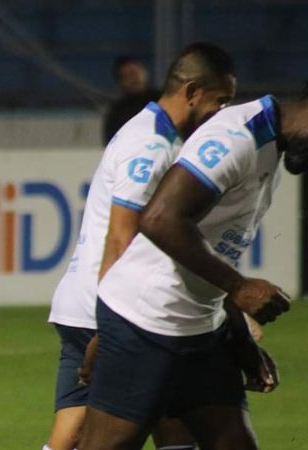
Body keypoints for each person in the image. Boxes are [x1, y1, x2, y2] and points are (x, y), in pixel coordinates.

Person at [79, 90, 304, 449]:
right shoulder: (236, 137)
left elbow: (213, 254)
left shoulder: (269, 151)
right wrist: (239, 287)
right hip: (145, 321)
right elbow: (159, 219)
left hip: (200, 330)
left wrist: (241, 342)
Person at [45, 43, 237, 450]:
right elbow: (122, 236)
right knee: (106, 435)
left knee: (159, 427)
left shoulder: (160, 136)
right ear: (191, 92)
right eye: (221, 101)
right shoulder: (151, 146)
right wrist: (106, 326)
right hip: (108, 313)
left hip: (106, 308)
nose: (224, 115)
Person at [102, 56, 161, 145]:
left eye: (134, 73)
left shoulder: (161, 99)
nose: (133, 79)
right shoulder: (117, 113)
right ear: (120, 82)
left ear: (144, 72)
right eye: (127, 76)